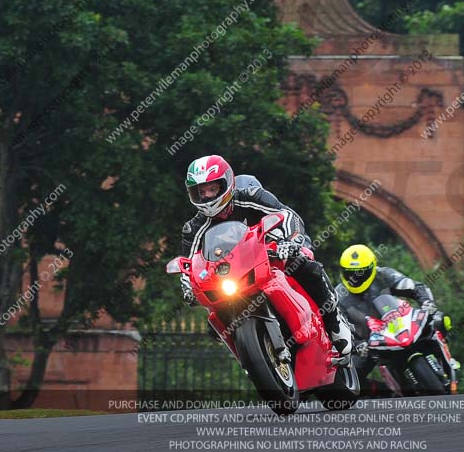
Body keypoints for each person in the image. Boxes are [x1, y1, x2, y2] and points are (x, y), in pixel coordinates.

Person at [178, 155, 352, 356]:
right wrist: (188, 285)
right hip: (237, 269)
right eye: (201, 191)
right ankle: (251, 358)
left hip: (276, 247)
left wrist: (291, 241)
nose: (207, 196)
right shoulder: (193, 228)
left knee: (306, 266)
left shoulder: (250, 196)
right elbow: (188, 263)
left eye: (213, 188)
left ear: (226, 183)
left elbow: (287, 215)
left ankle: (333, 321)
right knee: (214, 318)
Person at [335, 244, 445, 393]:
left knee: (439, 319)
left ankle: (447, 362)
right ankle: (383, 391)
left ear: (372, 267)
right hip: (370, 344)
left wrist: (427, 303)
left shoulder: (385, 275)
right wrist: (356, 344)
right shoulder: (338, 296)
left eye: (361, 272)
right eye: (350, 273)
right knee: (348, 377)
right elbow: (338, 326)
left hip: (399, 324)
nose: (356, 278)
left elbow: (416, 287)